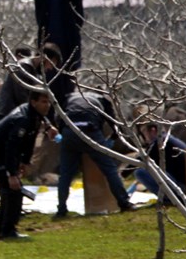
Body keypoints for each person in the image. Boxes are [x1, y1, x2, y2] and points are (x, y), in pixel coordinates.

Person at [0, 91, 58, 239]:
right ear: (33, 102)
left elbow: (33, 133)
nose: (47, 105)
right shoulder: (22, 119)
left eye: (48, 102)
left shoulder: (33, 112)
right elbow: (11, 147)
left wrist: (48, 128)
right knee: (14, 190)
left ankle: (0, 228)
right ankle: (8, 230)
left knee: (9, 190)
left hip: (4, 152)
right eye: (43, 102)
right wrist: (11, 174)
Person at [55, 89, 134, 217]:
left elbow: (59, 117)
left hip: (70, 130)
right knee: (109, 169)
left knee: (65, 174)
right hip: (90, 130)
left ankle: (61, 210)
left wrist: (62, 133)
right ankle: (124, 203)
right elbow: (114, 124)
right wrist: (111, 140)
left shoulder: (69, 96)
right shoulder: (101, 99)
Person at [0, 42, 66, 124]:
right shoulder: (23, 67)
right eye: (52, 63)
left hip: (16, 115)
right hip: (5, 114)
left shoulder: (37, 73)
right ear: (44, 58)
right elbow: (22, 96)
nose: (50, 68)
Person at [33, 0, 84, 81]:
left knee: (68, 77)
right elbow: (40, 20)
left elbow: (79, 20)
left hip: (69, 44)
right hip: (48, 44)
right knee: (49, 76)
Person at [132, 109, 186, 202]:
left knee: (140, 172)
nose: (144, 137)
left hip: (183, 187)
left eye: (144, 132)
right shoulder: (168, 139)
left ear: (153, 130)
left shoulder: (159, 143)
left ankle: (170, 199)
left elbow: (138, 162)